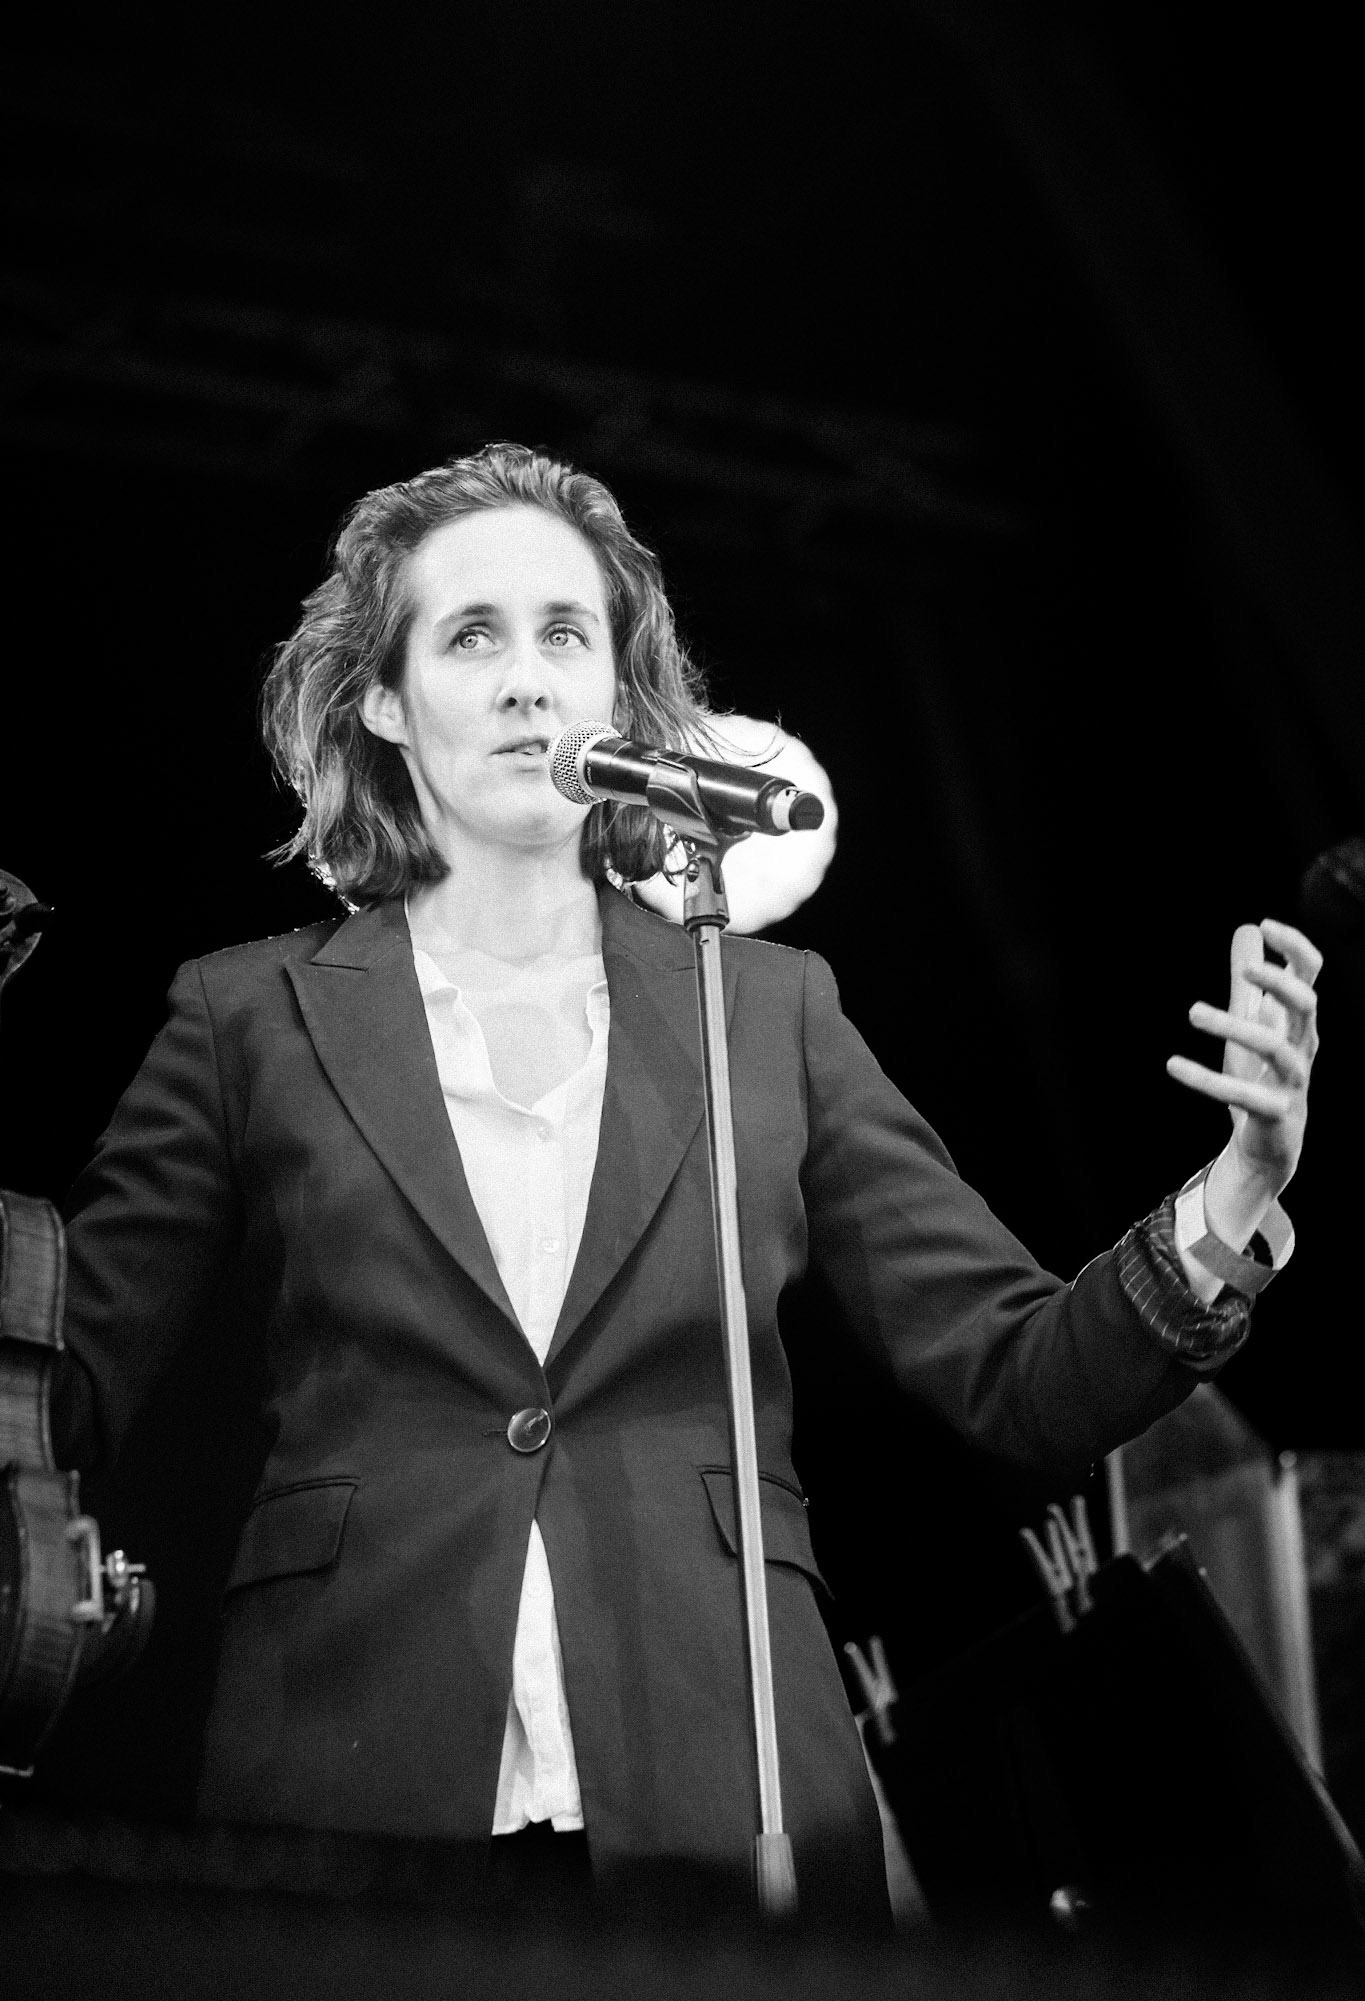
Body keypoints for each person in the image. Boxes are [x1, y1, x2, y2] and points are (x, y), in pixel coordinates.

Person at [48, 442, 1320, 1922]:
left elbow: (1016, 1375)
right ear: (385, 700)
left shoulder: (766, 1010)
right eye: (472, 636)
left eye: (565, 635)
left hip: (729, 1775)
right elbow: (58, 1395)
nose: (527, 681)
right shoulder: (244, 1016)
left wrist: (1236, 1187)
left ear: (618, 697)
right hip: (351, 1768)